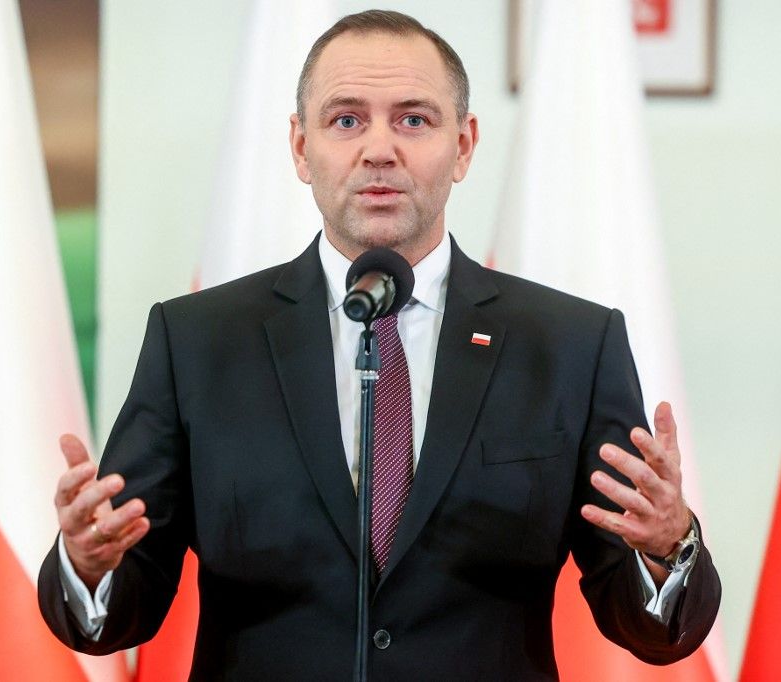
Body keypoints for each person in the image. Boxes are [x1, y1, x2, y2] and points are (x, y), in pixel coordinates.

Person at [38, 10, 720, 680]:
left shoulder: (570, 345)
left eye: (414, 119)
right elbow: (126, 607)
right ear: (301, 149)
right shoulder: (197, 343)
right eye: (346, 120)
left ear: (465, 145)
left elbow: (648, 631)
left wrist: (668, 547)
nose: (379, 149)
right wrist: (89, 564)